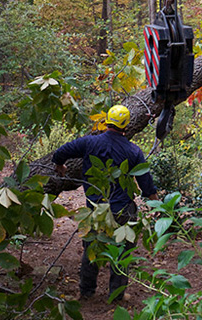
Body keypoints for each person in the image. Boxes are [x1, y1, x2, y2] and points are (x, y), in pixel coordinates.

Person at [52, 105, 158, 301]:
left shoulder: (89, 143)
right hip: (123, 210)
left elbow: (60, 152)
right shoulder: (133, 151)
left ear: (107, 121)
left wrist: (60, 166)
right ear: (126, 125)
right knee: (122, 251)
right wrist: (157, 205)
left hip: (95, 209)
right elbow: (147, 186)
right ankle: (117, 295)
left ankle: (86, 292)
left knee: (91, 249)